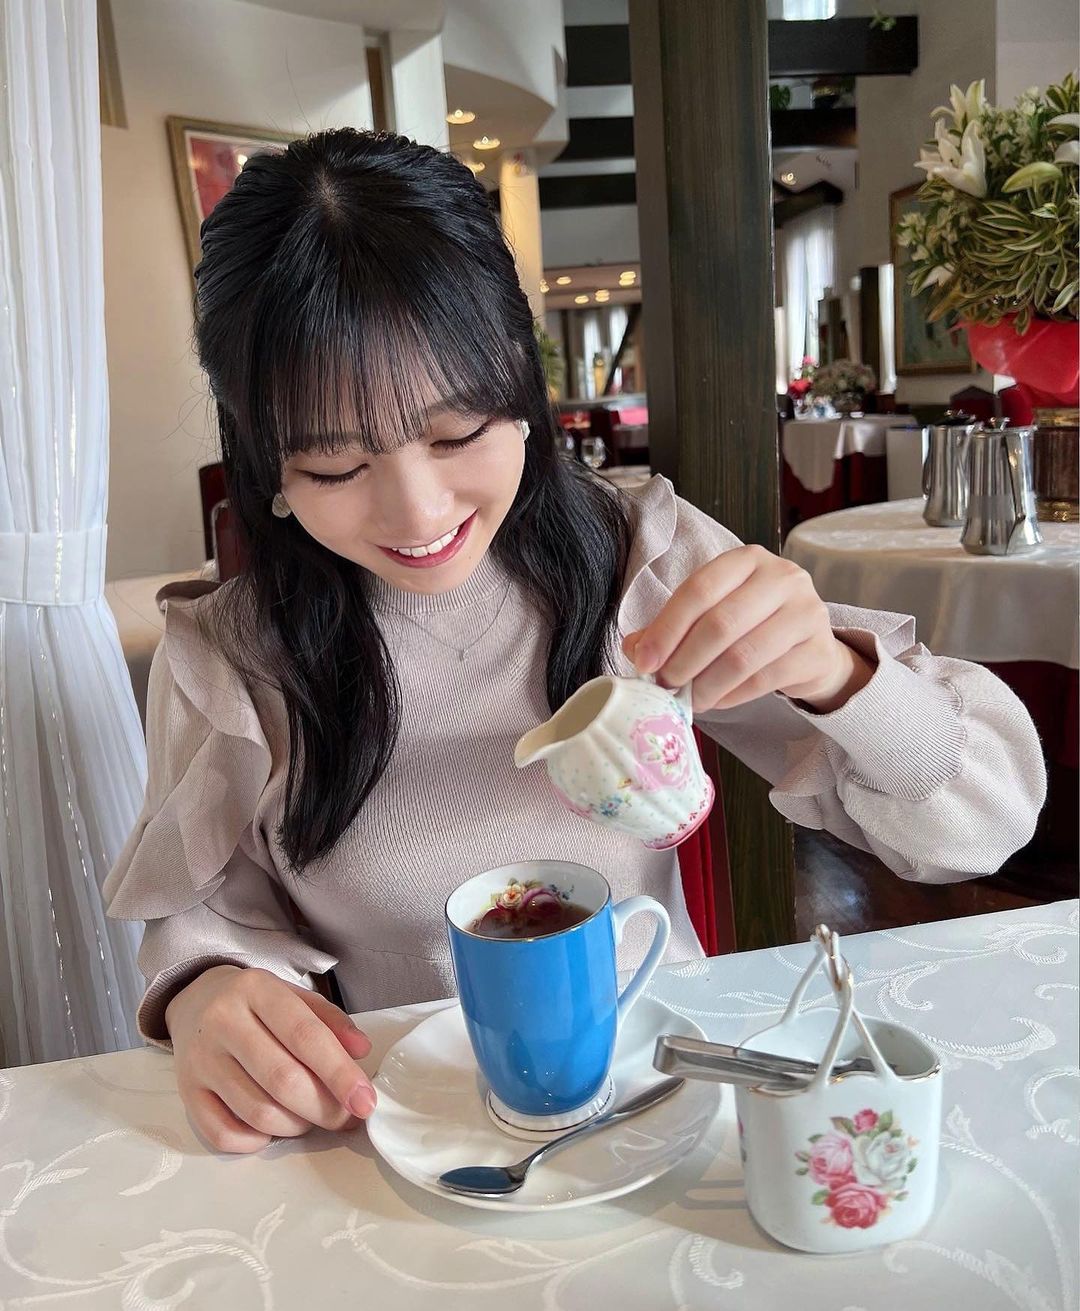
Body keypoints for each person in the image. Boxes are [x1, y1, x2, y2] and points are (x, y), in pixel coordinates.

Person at [105, 128, 1045, 1155]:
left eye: (457, 433)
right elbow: (210, 912)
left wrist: (836, 672)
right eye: (334, 467)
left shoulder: (638, 558)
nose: (417, 511)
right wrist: (208, 989)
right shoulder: (232, 655)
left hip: (664, 1103)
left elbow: (980, 828)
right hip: (408, 1133)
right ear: (264, 460)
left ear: (520, 380)